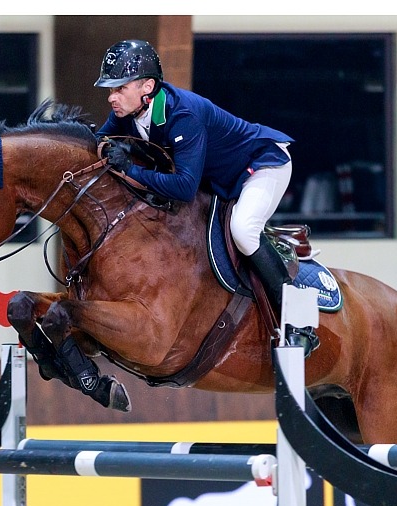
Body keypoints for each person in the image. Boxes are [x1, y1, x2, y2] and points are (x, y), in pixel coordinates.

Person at [94, 39, 311, 343]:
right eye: (110, 90)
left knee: (243, 229)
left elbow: (183, 188)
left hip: (261, 164)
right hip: (220, 179)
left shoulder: (183, 114)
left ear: (147, 86)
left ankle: (299, 322)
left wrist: (129, 169)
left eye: (119, 88)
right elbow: (98, 142)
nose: (111, 98)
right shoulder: (126, 112)